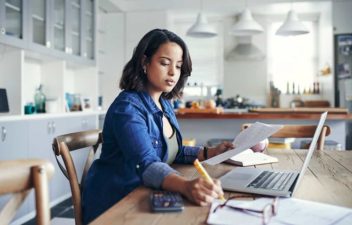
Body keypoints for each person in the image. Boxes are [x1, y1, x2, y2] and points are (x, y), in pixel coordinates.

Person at [82, 28, 266, 224]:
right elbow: (147, 163)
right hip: (116, 203)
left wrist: (209, 152)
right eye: (164, 63)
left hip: (144, 194)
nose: (173, 73)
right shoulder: (127, 108)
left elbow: (172, 151)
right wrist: (186, 185)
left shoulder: (165, 104)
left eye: (178, 66)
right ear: (144, 62)